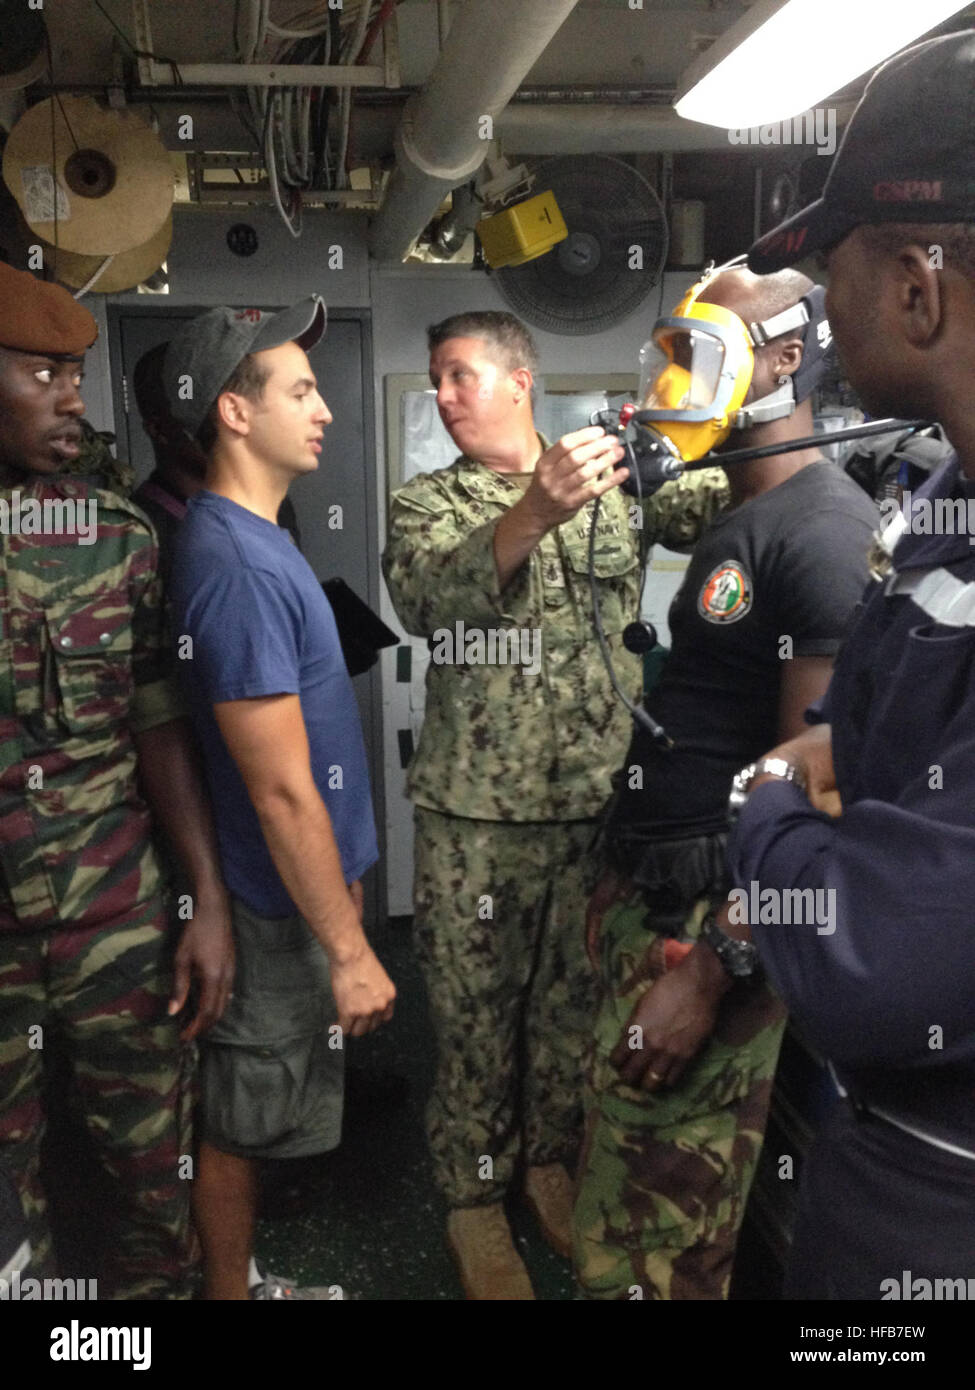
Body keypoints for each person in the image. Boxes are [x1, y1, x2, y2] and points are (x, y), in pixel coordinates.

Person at [382, 309, 729, 1299]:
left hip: (591, 810)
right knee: (474, 1022)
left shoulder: (611, 478)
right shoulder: (429, 504)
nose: (444, 397)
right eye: (436, 379)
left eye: (459, 376)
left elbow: (711, 491)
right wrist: (532, 508)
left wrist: (706, 401)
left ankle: (545, 1164)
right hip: (473, 825)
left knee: (573, 1014)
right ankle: (474, 1200)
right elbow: (429, 599)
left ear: (520, 381)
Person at [724, 27, 975, 1300]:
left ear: (920, 286)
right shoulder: (945, 501)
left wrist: (757, 802)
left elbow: (867, 957)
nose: (823, 313)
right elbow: (859, 733)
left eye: (837, 273)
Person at [572, 264, 879, 1300]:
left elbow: (813, 788)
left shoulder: (823, 531)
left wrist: (709, 970)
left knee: (655, 1252)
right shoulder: (739, 514)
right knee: (621, 1201)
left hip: (711, 923)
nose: (675, 378)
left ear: (784, 360)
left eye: (703, 353)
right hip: (657, 893)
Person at [0, 261, 234, 1299]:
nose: (72, 397)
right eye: (42, 372)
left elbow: (159, 726)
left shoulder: (112, 535)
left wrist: (206, 901)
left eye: (77, 373)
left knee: (151, 1169)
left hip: (113, 910)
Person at [165, 297, 396, 1300]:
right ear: (233, 411)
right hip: (274, 903)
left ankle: (245, 1281)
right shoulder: (235, 564)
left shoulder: (258, 539)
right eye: (300, 390)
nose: (324, 410)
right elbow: (279, 789)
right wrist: (347, 948)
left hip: (297, 890)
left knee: (260, 1114)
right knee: (239, 1120)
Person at [131, 340, 302, 583]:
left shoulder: (273, 506)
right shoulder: (134, 535)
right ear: (160, 429)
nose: (231, 417)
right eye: (201, 407)